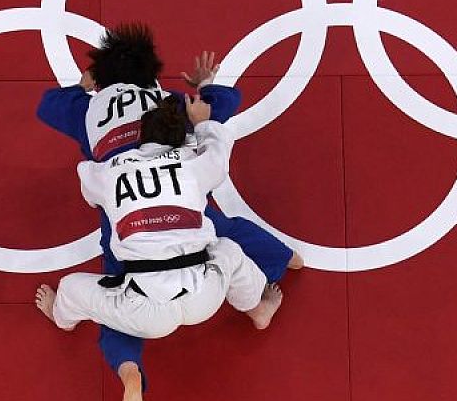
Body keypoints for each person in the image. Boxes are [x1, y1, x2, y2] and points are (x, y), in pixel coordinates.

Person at [35, 24, 301, 401]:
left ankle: (128, 371)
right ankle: (281, 264)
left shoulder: (89, 113)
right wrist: (207, 89)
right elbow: (224, 107)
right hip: (194, 258)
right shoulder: (169, 103)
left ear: (100, 77)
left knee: (111, 292)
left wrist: (82, 86)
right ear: (153, 76)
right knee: (222, 232)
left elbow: (49, 106)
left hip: (132, 249)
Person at [35, 96, 284, 345]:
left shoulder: (109, 171)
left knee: (69, 288)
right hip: (203, 295)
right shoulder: (194, 164)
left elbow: (87, 182)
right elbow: (219, 151)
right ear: (181, 140)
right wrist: (202, 124)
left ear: (141, 136)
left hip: (146, 311)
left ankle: (61, 317)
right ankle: (257, 309)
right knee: (229, 250)